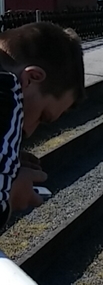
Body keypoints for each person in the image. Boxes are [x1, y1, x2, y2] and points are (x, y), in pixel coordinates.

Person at [0, 22, 86, 226]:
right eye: (42, 116)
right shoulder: (7, 94)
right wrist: (12, 193)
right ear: (31, 78)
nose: (29, 131)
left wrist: (8, 160)